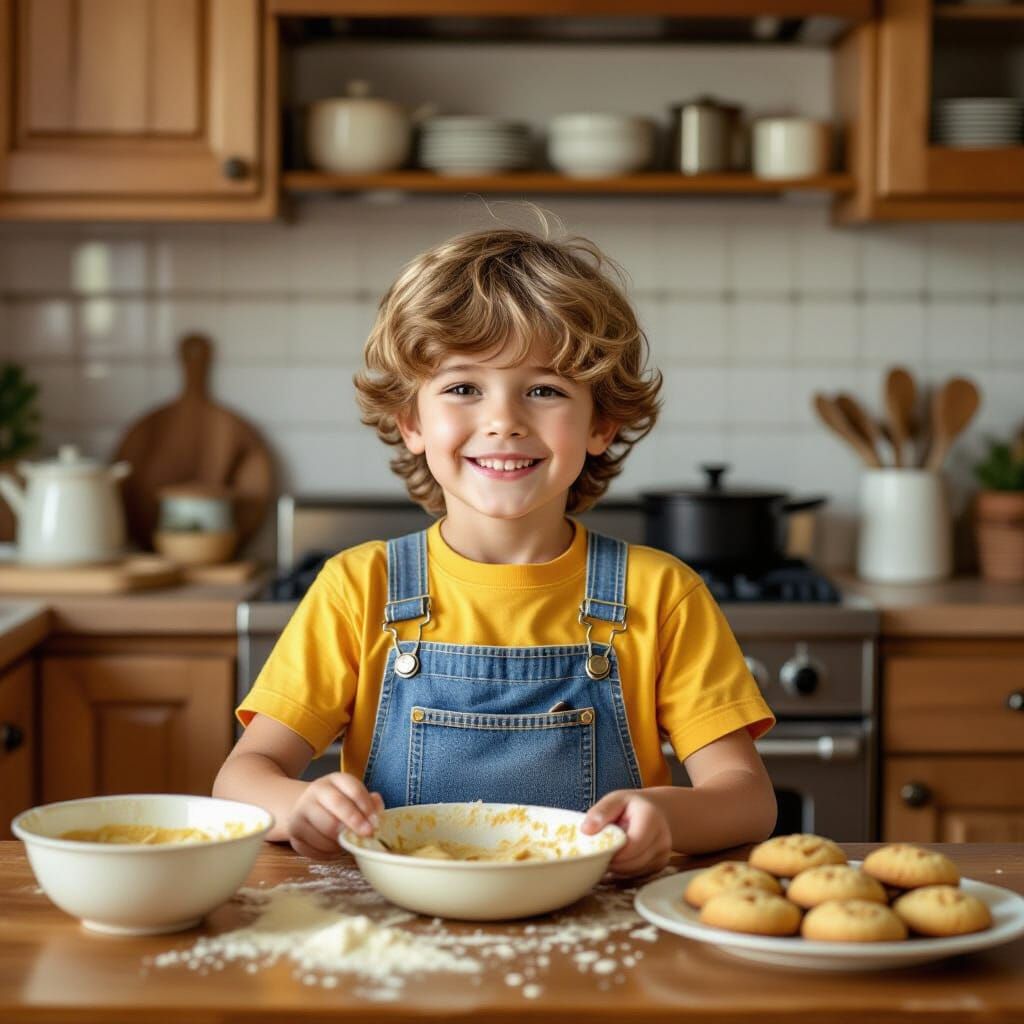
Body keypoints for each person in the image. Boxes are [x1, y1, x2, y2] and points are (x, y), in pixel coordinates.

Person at [214, 220, 777, 877]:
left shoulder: (660, 594)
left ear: (601, 423)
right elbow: (242, 777)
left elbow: (746, 798)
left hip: (601, 937)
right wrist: (300, 802)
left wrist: (667, 817)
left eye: (545, 390)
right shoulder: (356, 589)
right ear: (411, 422)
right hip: (396, 938)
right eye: (462, 387)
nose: (504, 418)